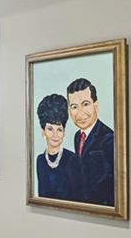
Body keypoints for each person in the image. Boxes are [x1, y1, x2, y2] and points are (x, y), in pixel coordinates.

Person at [67, 77, 115, 206]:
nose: (80, 113)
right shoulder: (78, 136)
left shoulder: (109, 138)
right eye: (74, 107)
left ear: (96, 106)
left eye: (85, 104)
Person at [35, 94, 83, 201]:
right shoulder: (40, 160)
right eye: (50, 129)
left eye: (59, 130)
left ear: (64, 133)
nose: (55, 135)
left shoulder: (73, 160)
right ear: (43, 132)